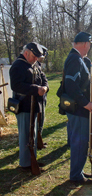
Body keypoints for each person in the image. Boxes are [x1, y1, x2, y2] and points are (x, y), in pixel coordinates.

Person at [9, 42, 49, 171]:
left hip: (35, 104)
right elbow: (16, 85)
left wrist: (45, 87)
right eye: (34, 56)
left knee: (33, 134)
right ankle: (26, 164)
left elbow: (43, 77)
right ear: (26, 53)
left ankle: (32, 160)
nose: (36, 59)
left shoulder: (34, 63)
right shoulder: (18, 66)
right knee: (26, 135)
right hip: (24, 105)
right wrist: (36, 89)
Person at [63, 32, 92, 183]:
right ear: (84, 44)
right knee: (80, 142)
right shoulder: (75, 59)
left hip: (79, 108)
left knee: (81, 142)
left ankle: (78, 171)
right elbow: (71, 85)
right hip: (79, 109)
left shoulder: (77, 58)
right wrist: (85, 103)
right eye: (89, 43)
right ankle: (76, 175)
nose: (89, 46)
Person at [37, 45, 48, 149]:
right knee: (38, 122)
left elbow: (44, 79)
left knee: (41, 121)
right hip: (38, 98)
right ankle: (37, 142)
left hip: (42, 96)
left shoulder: (38, 65)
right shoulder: (35, 65)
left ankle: (39, 141)